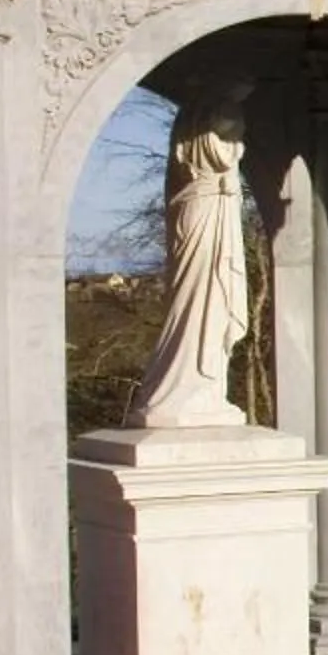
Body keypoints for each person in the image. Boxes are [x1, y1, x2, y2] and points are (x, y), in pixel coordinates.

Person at [130, 87, 253, 426]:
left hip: (213, 214)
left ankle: (207, 391)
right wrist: (233, 100)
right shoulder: (200, 148)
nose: (239, 126)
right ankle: (181, 388)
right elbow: (220, 136)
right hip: (203, 219)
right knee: (198, 299)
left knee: (214, 304)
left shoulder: (212, 154)